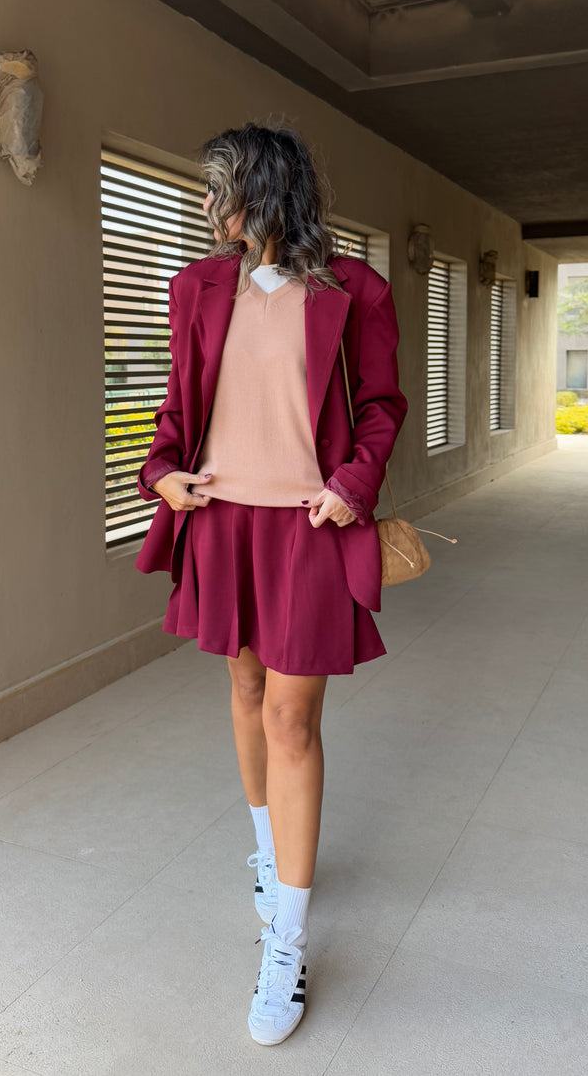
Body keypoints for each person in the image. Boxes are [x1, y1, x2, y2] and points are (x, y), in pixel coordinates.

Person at [134, 123, 407, 1046]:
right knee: (246, 690)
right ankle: (267, 852)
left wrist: (350, 486)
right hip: (221, 524)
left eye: (222, 188)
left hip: (308, 528)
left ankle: (287, 943)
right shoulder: (197, 288)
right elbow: (178, 409)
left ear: (267, 190)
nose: (211, 207)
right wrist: (162, 472)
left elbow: (379, 407)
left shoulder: (354, 291)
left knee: (294, 719)